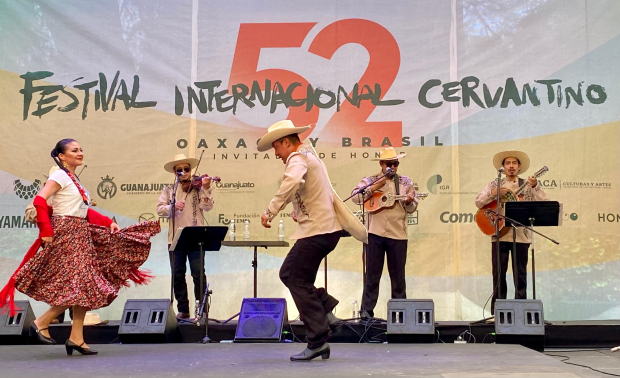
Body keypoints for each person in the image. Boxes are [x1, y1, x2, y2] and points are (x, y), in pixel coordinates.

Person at [0, 138, 159, 355]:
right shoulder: (58, 175)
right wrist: (46, 231)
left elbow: (83, 211)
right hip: (66, 232)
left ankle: (76, 338)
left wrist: (107, 221)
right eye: (74, 150)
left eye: (81, 149)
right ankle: (42, 321)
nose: (80, 153)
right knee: (79, 285)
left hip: (79, 231)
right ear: (62, 156)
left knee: (83, 285)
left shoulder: (73, 180)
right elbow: (39, 200)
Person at [258, 120, 366, 362]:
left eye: (276, 147)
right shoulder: (310, 156)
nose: (276, 154)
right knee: (297, 277)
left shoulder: (297, 159)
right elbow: (310, 190)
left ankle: (317, 338)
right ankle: (325, 311)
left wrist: (270, 211)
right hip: (323, 231)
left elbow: (292, 182)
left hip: (318, 232)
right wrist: (300, 208)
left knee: (291, 275)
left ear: (287, 142)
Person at [475, 150, 548, 315]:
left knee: (520, 275)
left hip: (521, 235)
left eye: (514, 163)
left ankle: (521, 312)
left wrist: (535, 186)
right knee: (499, 275)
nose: (511, 166)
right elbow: (479, 202)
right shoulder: (494, 184)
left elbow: (542, 202)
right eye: (507, 163)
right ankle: (497, 313)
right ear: (503, 167)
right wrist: (493, 194)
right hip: (499, 233)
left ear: (519, 166)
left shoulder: (528, 184)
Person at [351, 147, 419, 319]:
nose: (393, 167)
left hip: (398, 235)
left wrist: (409, 201)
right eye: (389, 164)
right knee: (372, 275)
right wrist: (374, 187)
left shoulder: (405, 182)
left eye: (395, 164)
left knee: (398, 277)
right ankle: (366, 313)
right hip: (374, 233)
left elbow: (412, 208)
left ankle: (400, 315)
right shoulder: (370, 179)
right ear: (381, 164)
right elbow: (355, 197)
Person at [156, 154, 214, 319]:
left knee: (198, 274)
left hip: (195, 236)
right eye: (179, 170)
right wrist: (172, 206)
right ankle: (183, 310)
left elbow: (207, 206)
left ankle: (202, 310)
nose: (184, 172)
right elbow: (160, 209)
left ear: (191, 171)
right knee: (178, 273)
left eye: (186, 169)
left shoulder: (199, 187)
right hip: (175, 237)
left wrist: (207, 188)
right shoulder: (169, 190)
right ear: (175, 172)